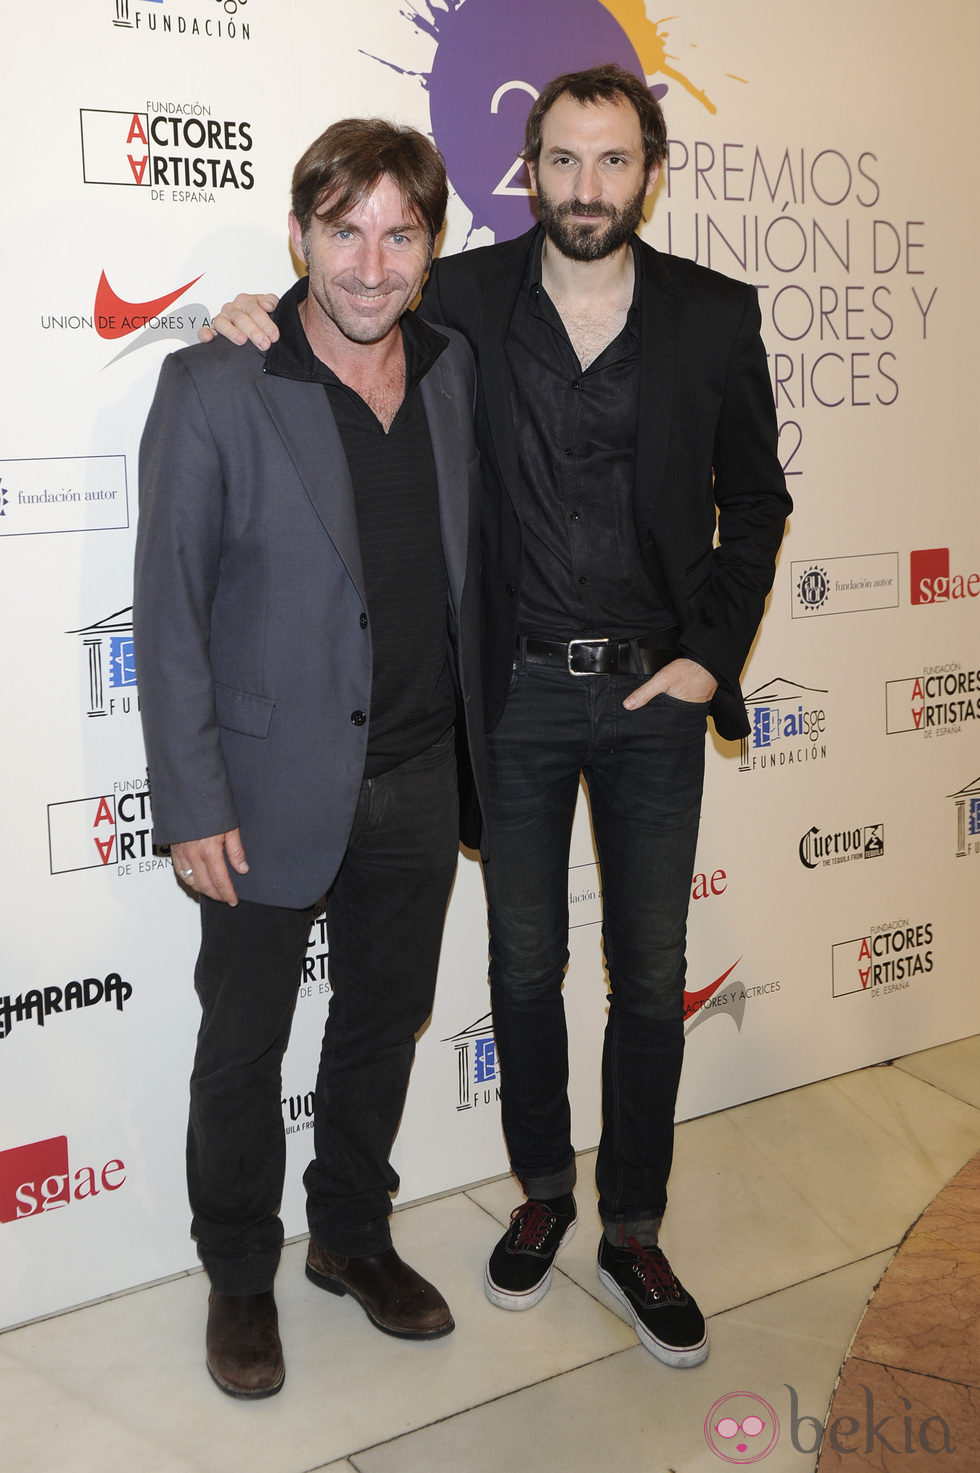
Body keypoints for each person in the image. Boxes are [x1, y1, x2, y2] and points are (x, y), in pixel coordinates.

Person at [205, 63, 791, 1371]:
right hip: (511, 695)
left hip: (652, 698)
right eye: (564, 162)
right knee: (521, 966)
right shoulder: (459, 295)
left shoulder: (712, 317)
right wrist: (250, 309)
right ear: (531, 173)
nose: (588, 187)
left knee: (648, 972)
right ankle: (543, 1192)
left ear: (651, 171)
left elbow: (754, 502)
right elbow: (340, 306)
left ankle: (633, 1223)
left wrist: (709, 654)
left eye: (614, 161)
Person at [135, 118, 486, 1399]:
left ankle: (348, 1234)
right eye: (344, 230)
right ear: (297, 237)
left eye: (400, 233)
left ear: (431, 250)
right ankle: (240, 1273)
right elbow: (167, 609)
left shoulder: (453, 370)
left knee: (383, 1023)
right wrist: (191, 801)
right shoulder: (220, 384)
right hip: (264, 789)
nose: (370, 263)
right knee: (242, 1046)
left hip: (416, 774)